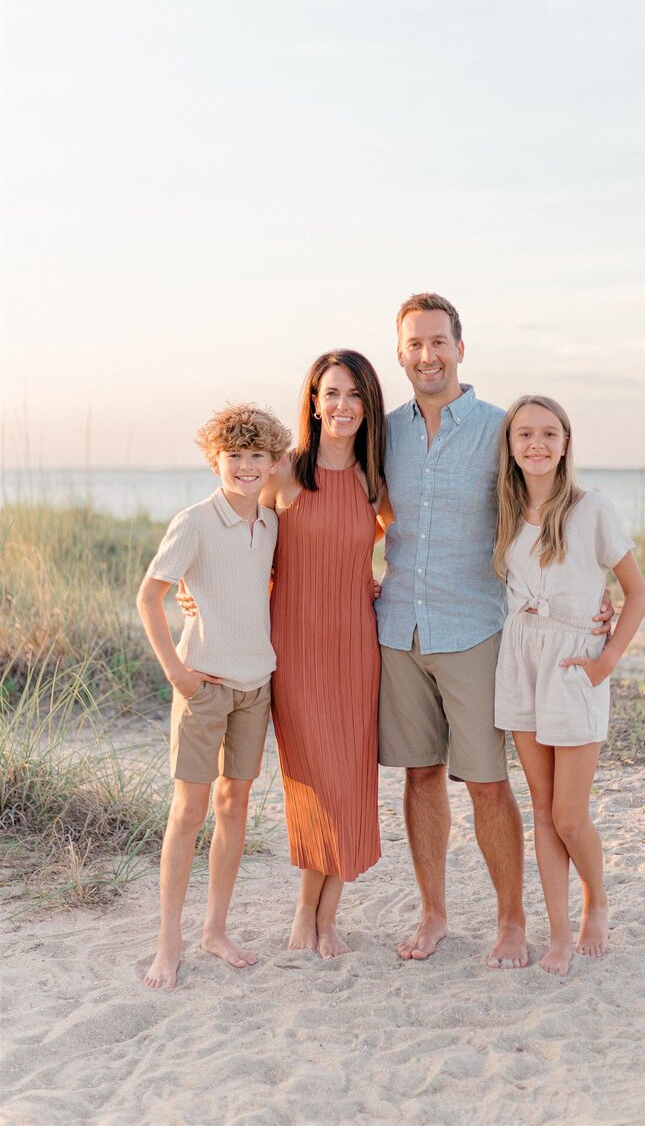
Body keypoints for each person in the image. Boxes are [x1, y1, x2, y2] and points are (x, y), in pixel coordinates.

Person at [375, 293, 615, 970]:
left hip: (477, 629)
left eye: (439, 342)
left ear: (460, 347)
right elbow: (350, 507)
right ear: (401, 353)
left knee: (486, 782)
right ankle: (434, 911)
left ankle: (512, 921)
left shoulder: (497, 427)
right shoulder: (383, 432)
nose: (428, 355)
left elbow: (554, 503)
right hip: (398, 627)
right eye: (415, 344)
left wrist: (597, 598)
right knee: (419, 777)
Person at [137, 403, 291, 990]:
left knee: (235, 808)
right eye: (235, 456)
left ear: (274, 462)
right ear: (214, 460)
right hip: (205, 686)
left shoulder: (272, 522)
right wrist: (177, 671)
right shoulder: (195, 521)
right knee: (188, 812)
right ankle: (168, 940)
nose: (247, 467)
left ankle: (215, 929)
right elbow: (150, 597)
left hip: (258, 686)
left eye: (258, 457)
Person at [493, 395, 645, 976]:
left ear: (565, 443)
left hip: (574, 667)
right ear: (510, 445)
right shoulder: (504, 513)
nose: (536, 444)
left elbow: (638, 593)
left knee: (570, 816)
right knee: (540, 809)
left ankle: (597, 900)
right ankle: (558, 934)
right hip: (522, 663)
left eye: (548, 434)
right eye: (524, 434)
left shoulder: (591, 509)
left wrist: (605, 660)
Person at [262, 350, 386, 959]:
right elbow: (238, 539)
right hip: (296, 648)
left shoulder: (374, 480)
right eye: (332, 393)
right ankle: (304, 911)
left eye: (356, 395)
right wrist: (192, 592)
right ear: (313, 400)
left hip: (357, 647)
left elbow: (406, 541)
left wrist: (384, 585)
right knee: (313, 781)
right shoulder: (284, 473)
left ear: (369, 406)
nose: (343, 406)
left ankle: (326, 917)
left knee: (352, 780)